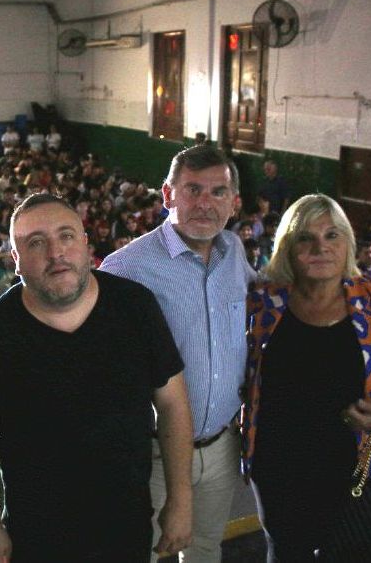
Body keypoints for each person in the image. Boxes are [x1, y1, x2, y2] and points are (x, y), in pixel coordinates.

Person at [0, 194, 193, 562]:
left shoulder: (135, 306)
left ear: (87, 243)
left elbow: (172, 403)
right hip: (37, 533)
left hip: (126, 524)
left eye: (66, 236)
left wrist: (180, 499)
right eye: (36, 243)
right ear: (16, 260)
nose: (56, 252)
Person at [101, 145, 256, 563]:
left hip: (222, 447)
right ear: (168, 195)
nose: (205, 204)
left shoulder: (235, 254)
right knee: (137, 552)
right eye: (193, 190)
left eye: (217, 192)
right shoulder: (125, 269)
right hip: (149, 453)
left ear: (234, 202)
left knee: (205, 550)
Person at [242, 194, 371, 561]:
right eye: (306, 238)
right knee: (286, 551)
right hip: (278, 465)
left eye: (332, 235)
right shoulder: (262, 304)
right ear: (288, 248)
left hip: (355, 468)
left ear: (348, 244)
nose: (320, 247)